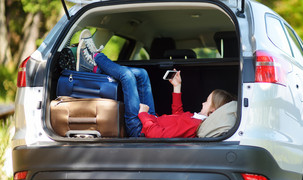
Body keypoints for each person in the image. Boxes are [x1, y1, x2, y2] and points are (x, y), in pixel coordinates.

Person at [77, 29, 235, 138]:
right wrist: (177, 87)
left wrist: (143, 115)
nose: (202, 102)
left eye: (207, 102)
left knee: (127, 76)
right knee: (142, 74)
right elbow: (177, 115)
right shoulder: (196, 118)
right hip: (151, 120)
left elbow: (159, 136)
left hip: (139, 129)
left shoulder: (195, 126)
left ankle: (94, 57)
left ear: (213, 111)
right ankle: (97, 69)